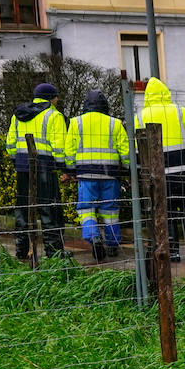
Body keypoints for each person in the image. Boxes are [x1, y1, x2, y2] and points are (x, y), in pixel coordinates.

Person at [137, 77, 185, 261]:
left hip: (159, 176)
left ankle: (173, 251)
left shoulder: (139, 117)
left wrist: (139, 172)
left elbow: (138, 150)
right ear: (166, 93)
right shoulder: (180, 112)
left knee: (167, 212)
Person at [64, 89, 130, 262]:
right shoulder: (115, 123)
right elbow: (125, 151)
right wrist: (128, 170)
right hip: (110, 175)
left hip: (85, 175)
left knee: (86, 209)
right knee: (110, 211)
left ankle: (94, 237)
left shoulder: (76, 122)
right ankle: (112, 245)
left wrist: (70, 171)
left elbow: (69, 150)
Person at [6, 82, 69, 259]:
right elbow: (59, 148)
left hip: (22, 166)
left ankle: (21, 250)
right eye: (56, 97)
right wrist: (63, 168)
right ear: (51, 98)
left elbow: (10, 144)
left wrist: (18, 161)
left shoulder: (18, 115)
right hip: (45, 168)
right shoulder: (53, 115)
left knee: (23, 209)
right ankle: (54, 253)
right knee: (50, 210)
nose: (57, 100)